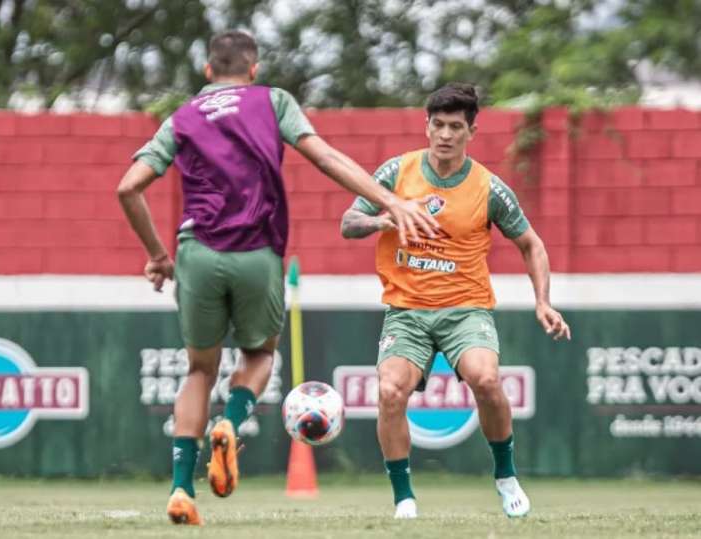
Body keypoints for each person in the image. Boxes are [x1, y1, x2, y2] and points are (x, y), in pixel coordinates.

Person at [116, 30, 438, 526]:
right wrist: (391, 199)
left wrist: (158, 255)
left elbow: (128, 187)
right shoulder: (273, 101)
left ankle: (182, 489)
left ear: (207, 71)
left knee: (200, 371)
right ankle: (230, 421)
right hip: (257, 253)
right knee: (260, 354)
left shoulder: (181, 117)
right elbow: (325, 156)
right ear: (253, 68)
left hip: (196, 252)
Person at [340, 82, 571, 519]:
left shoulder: (489, 188)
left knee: (486, 380)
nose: (446, 134)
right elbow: (348, 223)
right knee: (390, 391)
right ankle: (404, 498)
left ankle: (505, 476)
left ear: (472, 132)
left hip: (466, 308)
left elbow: (532, 244)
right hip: (406, 311)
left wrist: (543, 301)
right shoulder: (396, 172)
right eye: (439, 125)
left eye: (456, 127)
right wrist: (384, 218)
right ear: (426, 126)